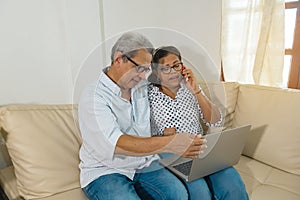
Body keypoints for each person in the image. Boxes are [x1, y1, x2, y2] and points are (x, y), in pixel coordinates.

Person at [78, 32, 208, 200]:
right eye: (139, 68)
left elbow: (169, 92)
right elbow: (116, 144)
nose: (142, 75)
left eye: (146, 70)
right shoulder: (93, 96)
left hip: (144, 163)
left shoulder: (142, 87)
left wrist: (187, 84)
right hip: (105, 170)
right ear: (118, 59)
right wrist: (170, 143)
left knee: (178, 195)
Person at [148, 46, 249, 200]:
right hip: (170, 150)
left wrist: (195, 91)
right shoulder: (147, 94)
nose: (173, 71)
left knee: (233, 183)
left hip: (200, 146)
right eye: (165, 68)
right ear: (156, 72)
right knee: (199, 191)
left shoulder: (190, 87)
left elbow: (215, 121)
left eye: (176, 65)